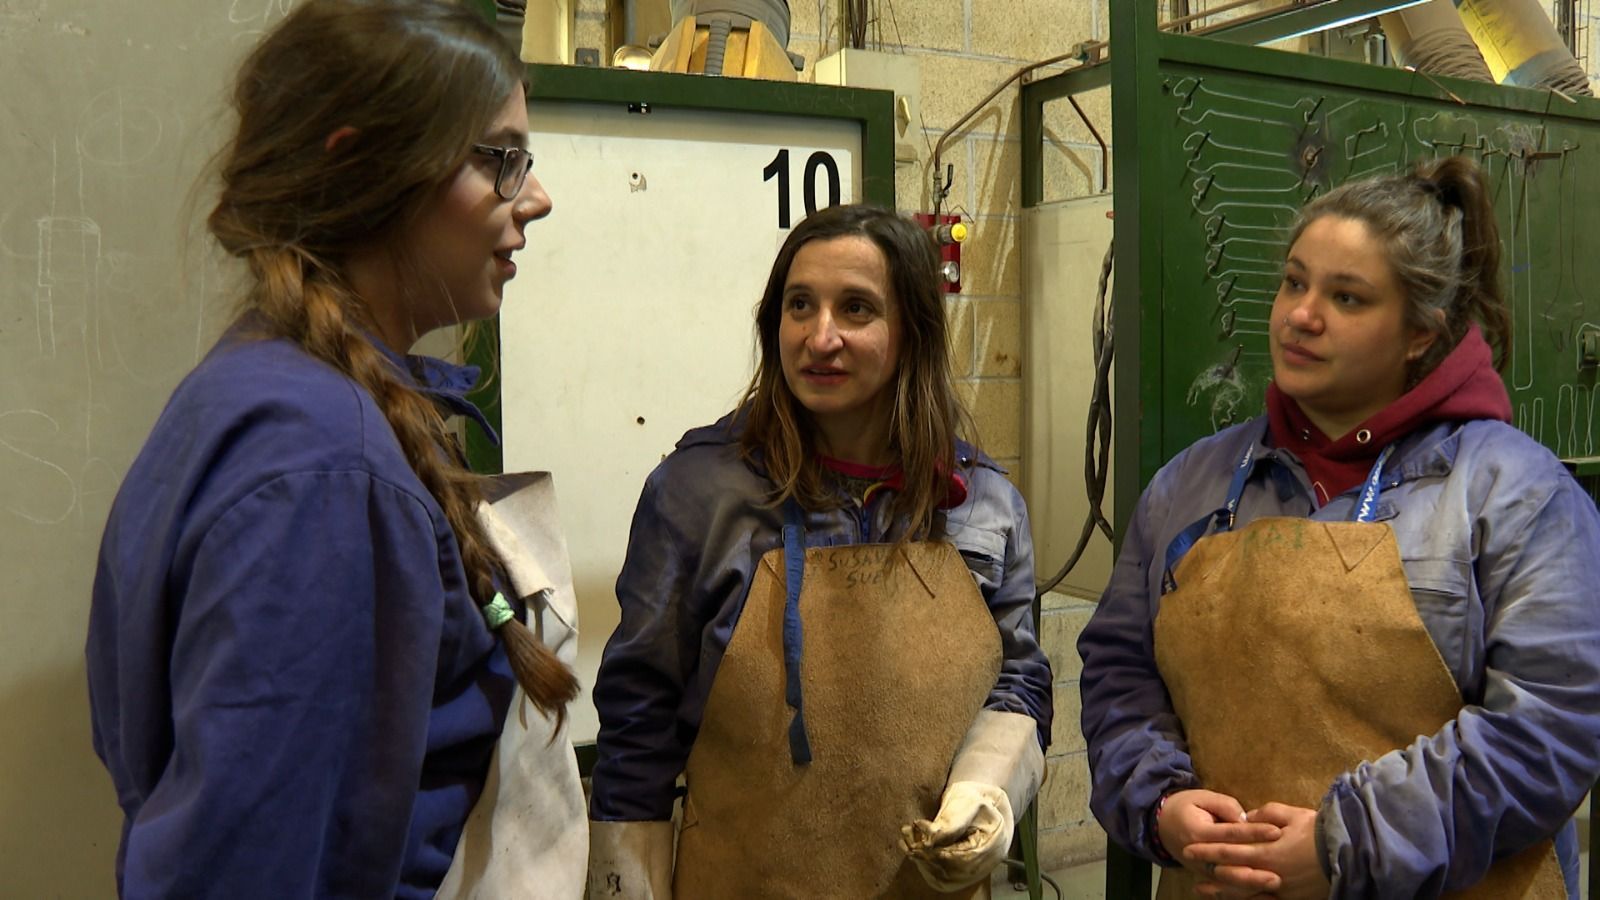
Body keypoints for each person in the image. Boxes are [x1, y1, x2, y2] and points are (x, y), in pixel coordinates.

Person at [85, 2, 580, 896]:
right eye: (500, 160)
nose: (534, 197)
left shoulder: (272, 395)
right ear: (364, 166)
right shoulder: (320, 466)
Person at [1078, 155, 1600, 899]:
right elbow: (1119, 672)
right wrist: (1161, 804)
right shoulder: (1189, 486)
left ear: (1421, 332)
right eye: (1295, 282)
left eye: (1347, 298)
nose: (1301, 316)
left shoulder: (1515, 495)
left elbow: (1550, 728)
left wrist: (1343, 843)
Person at [585, 204, 1053, 899]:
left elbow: (1018, 682)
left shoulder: (981, 505)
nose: (819, 336)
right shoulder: (697, 494)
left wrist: (988, 791)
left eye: (856, 309)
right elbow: (638, 726)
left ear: (912, 333)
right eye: (799, 305)